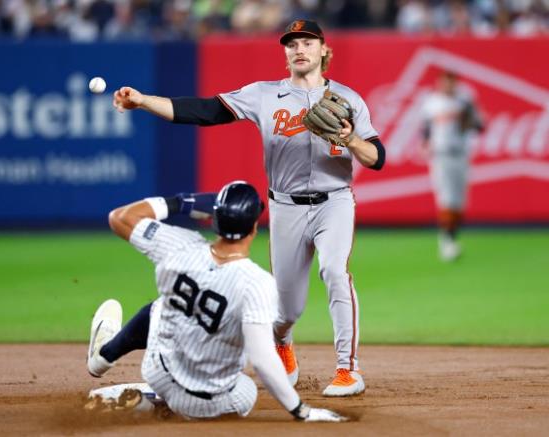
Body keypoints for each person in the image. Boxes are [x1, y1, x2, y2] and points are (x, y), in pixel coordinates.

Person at [110, 19, 386, 396]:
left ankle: (347, 370)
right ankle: (282, 342)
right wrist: (143, 101)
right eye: (292, 44)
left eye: (307, 42)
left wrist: (351, 138)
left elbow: (377, 157)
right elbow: (206, 111)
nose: (299, 49)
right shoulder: (263, 95)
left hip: (334, 201)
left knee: (335, 271)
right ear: (285, 53)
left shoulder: (349, 99)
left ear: (323, 50)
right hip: (285, 206)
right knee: (287, 309)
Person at [87, 181, 345, 421]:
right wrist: (301, 411)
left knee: (161, 309)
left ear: (213, 219)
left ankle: (120, 370)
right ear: (254, 228)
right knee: (246, 390)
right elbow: (263, 358)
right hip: (209, 403)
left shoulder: (178, 246)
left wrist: (181, 202)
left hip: (159, 373)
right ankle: (164, 408)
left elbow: (120, 217)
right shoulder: (257, 283)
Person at [421, 70, 483, 261]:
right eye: (444, 82)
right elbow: (425, 129)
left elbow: (479, 126)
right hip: (441, 155)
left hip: (461, 154)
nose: (447, 86)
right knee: (446, 198)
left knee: (459, 201)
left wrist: (468, 114)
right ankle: (446, 242)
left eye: (451, 82)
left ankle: (451, 238)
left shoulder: (464, 100)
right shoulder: (432, 102)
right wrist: (425, 145)